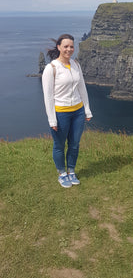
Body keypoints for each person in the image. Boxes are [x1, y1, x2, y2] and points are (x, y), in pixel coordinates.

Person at [42, 34, 92, 188]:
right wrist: (52, 119)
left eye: (71, 46)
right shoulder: (51, 69)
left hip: (78, 111)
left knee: (75, 144)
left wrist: (87, 110)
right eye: (65, 46)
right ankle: (62, 173)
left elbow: (82, 88)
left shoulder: (76, 65)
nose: (69, 49)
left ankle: (71, 171)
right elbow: (48, 97)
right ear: (59, 47)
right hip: (61, 112)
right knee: (59, 145)